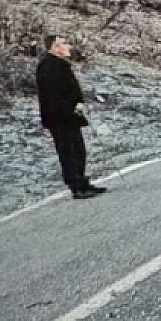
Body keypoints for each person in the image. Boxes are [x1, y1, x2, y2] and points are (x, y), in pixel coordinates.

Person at [36, 34, 107, 199]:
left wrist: (78, 103)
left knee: (78, 150)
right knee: (68, 152)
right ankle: (76, 187)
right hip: (60, 118)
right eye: (64, 44)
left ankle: (82, 182)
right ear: (55, 47)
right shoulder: (47, 66)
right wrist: (72, 107)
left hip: (70, 116)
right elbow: (53, 95)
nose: (68, 46)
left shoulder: (60, 64)